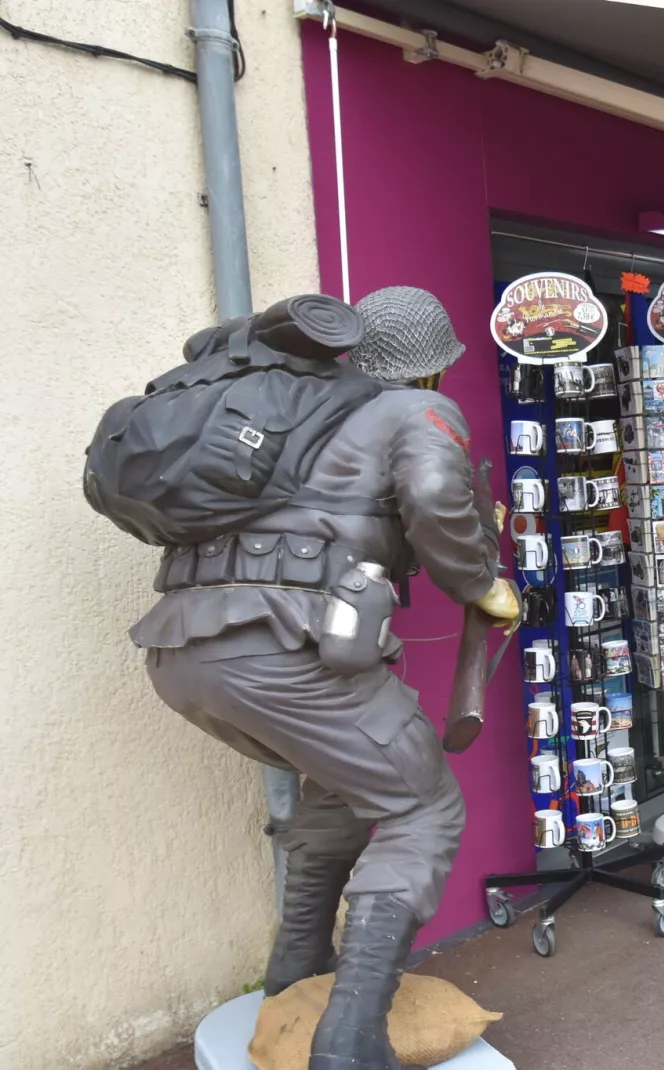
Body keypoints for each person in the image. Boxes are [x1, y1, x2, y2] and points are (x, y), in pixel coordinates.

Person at [132, 286, 518, 1069]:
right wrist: (482, 584)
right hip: (286, 653)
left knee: (342, 784)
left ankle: (295, 975)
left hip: (182, 651)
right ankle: (349, 1044)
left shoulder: (284, 418)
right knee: (423, 809)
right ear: (432, 368)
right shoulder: (414, 412)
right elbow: (439, 495)